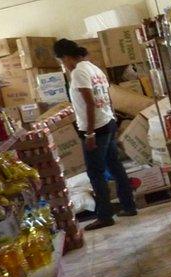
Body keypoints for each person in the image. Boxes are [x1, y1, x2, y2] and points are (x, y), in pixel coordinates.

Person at [53, 39, 137, 230]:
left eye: (61, 61)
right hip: (107, 122)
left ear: (65, 57)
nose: (63, 65)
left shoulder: (79, 72)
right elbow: (106, 98)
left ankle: (105, 216)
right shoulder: (94, 69)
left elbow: (90, 103)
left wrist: (89, 134)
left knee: (95, 173)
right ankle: (129, 206)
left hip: (96, 129)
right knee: (115, 167)